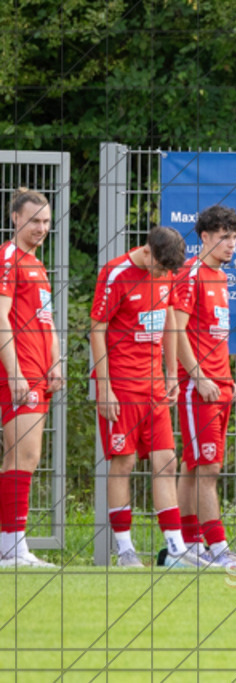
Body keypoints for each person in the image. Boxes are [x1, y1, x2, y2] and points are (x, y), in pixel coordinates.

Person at [90, 226, 207, 568]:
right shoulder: (115, 273)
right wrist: (105, 386)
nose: (163, 275)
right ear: (147, 252)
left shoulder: (167, 271)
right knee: (123, 462)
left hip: (154, 385)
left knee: (166, 462)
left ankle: (175, 549)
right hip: (122, 386)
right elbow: (97, 328)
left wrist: (172, 372)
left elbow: (169, 317)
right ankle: (124, 549)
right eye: (160, 268)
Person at [172, 206, 236, 569]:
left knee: (194, 465)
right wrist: (198, 375)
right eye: (223, 237)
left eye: (234, 237)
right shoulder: (191, 273)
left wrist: (225, 378)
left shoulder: (220, 276)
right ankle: (218, 549)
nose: (231, 244)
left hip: (220, 385)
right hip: (198, 387)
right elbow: (176, 329)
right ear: (204, 237)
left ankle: (188, 547)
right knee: (207, 468)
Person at [0, 189, 62, 567]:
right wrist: (15, 373)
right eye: (34, 220)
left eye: (46, 221)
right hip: (20, 371)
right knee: (24, 456)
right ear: (15, 219)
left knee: (21, 457)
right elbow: (0, 318)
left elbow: (46, 320)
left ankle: (10, 546)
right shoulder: (9, 258)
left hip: (40, 371)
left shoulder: (37, 264)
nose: (41, 228)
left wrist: (55, 362)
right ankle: (14, 549)